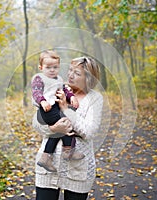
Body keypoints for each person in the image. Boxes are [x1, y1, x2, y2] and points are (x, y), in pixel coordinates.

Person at [32, 56, 103, 200]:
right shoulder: (56, 87)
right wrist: (54, 129)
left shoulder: (95, 98)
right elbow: (37, 123)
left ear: (88, 78)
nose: (70, 75)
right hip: (48, 167)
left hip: (78, 169)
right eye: (70, 70)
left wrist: (66, 109)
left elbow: (89, 131)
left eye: (77, 73)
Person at [31, 50, 85, 173]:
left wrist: (71, 97)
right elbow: (36, 92)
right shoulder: (40, 78)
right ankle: (68, 150)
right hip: (46, 110)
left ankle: (46, 157)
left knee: (58, 131)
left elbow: (65, 89)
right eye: (48, 67)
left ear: (59, 67)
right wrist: (42, 101)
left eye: (55, 67)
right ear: (41, 67)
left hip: (55, 108)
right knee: (66, 123)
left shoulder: (59, 79)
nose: (52, 70)